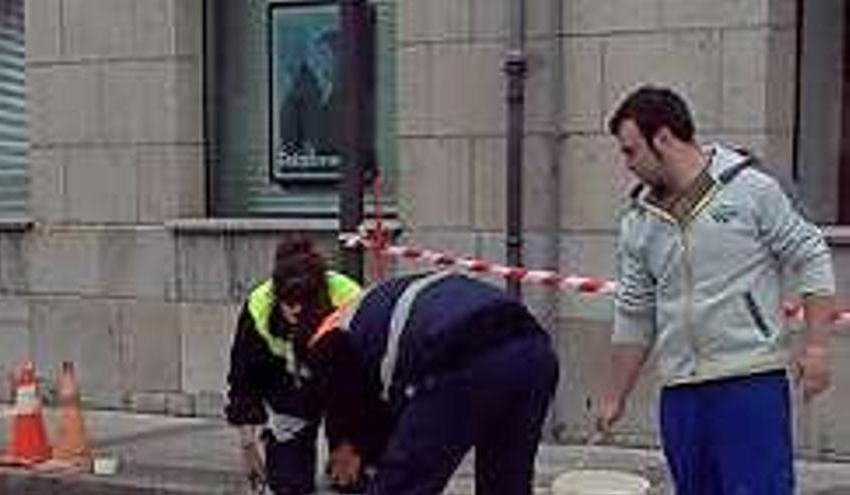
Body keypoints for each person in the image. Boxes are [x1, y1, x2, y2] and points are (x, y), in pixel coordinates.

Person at [598, 85, 836, 494]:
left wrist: (816, 347)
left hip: (749, 383)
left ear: (664, 139)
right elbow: (635, 311)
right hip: (681, 394)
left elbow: (811, 253)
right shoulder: (638, 221)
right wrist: (614, 396)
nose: (627, 164)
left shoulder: (751, 189)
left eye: (630, 151)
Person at [300, 270, 559, 494]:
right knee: (506, 481)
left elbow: (359, 408)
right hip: (534, 350)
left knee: (402, 483)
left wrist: (352, 449)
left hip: (465, 352)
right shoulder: (374, 306)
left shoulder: (327, 341)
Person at [225, 234, 360, 494]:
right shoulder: (259, 307)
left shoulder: (349, 299)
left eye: (305, 307)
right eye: (289, 306)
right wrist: (249, 449)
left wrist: (351, 443)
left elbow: (366, 385)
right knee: (288, 482)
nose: (296, 313)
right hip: (288, 384)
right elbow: (243, 382)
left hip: (343, 386)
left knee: (352, 480)